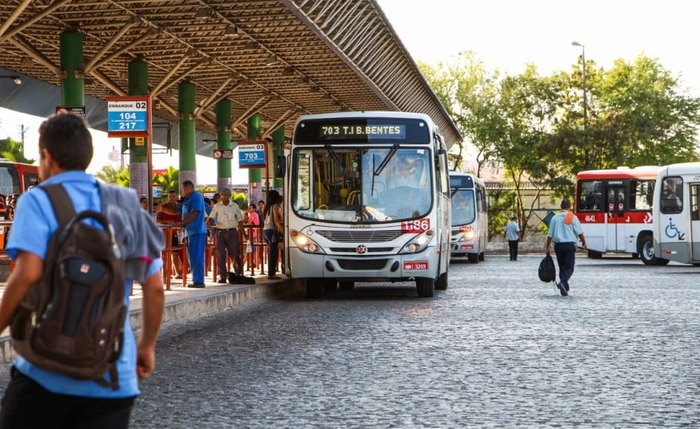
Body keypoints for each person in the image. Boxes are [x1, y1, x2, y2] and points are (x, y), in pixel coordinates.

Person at [0, 113, 165, 428]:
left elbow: (27, 273)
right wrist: (145, 347)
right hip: (113, 375)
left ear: (47, 156)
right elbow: (155, 286)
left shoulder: (37, 200)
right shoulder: (126, 204)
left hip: (44, 374)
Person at [159, 180, 207, 288]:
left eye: (183, 189)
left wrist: (183, 222)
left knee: (197, 257)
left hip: (197, 231)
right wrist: (162, 208)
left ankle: (199, 281)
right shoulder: (186, 200)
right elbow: (176, 211)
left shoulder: (196, 197)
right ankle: (196, 280)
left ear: (188, 188)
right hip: (189, 232)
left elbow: (195, 212)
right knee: (191, 257)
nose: (182, 191)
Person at [545, 199, 588, 296]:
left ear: (561, 206)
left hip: (558, 246)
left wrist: (547, 247)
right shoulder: (572, 217)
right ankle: (563, 282)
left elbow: (550, 235)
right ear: (569, 206)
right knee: (569, 267)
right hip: (569, 245)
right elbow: (579, 232)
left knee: (562, 266)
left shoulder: (554, 218)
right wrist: (584, 243)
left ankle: (564, 289)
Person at [206, 189, 243, 283]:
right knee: (220, 255)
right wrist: (209, 226)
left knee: (234, 254)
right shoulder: (217, 206)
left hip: (232, 232)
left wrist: (243, 234)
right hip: (220, 232)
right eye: (222, 195)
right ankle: (223, 276)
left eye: (226, 195)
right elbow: (211, 218)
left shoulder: (235, 206)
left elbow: (240, 221)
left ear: (229, 196)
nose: (224, 197)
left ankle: (238, 274)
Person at [156, 190, 183, 279]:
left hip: (175, 232)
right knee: (164, 253)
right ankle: (166, 273)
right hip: (164, 233)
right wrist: (167, 221)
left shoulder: (179, 207)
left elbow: (181, 219)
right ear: (168, 197)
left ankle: (178, 273)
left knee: (175, 253)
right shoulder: (163, 207)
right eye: (170, 196)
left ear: (176, 197)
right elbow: (157, 220)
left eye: (173, 196)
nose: (171, 198)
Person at [262, 190, 284, 279]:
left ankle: (271, 272)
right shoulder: (275, 206)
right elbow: (276, 220)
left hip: (265, 231)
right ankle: (271, 274)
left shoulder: (266, 207)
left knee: (271, 252)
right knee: (273, 253)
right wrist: (282, 230)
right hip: (272, 231)